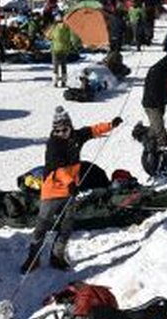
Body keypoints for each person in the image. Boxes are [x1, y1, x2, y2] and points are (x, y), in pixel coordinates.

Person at [22, 107, 121, 272]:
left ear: (70, 127)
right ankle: (33, 259)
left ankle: (57, 256)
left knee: (66, 227)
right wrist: (70, 183)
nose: (61, 133)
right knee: (42, 226)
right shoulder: (53, 144)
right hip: (52, 190)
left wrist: (110, 125)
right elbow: (59, 169)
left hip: (69, 190)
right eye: (57, 130)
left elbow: (93, 130)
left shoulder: (77, 136)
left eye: (64, 129)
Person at [142, 53, 167, 148]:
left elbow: (162, 88)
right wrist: (159, 103)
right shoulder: (156, 72)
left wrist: (165, 99)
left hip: (158, 102)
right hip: (151, 104)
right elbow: (153, 90)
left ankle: (148, 138)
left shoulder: (163, 70)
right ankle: (162, 147)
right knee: (160, 131)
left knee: (156, 124)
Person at [47, 14, 79, 88]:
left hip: (55, 49)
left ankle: (55, 82)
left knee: (55, 66)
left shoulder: (54, 27)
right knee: (63, 65)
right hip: (65, 49)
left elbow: (49, 36)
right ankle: (64, 82)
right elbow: (72, 38)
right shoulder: (67, 27)